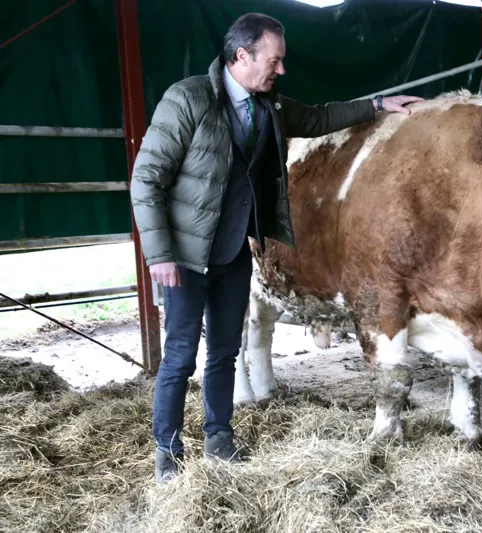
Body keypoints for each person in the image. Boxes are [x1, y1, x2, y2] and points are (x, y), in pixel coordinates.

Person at [129, 12, 423, 483]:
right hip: (183, 256)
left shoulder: (269, 105)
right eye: (275, 60)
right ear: (242, 55)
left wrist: (378, 104)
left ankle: (218, 439)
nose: (280, 70)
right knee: (181, 355)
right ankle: (168, 452)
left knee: (225, 351)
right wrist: (158, 253)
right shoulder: (186, 98)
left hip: (232, 250)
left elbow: (320, 116)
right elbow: (146, 179)